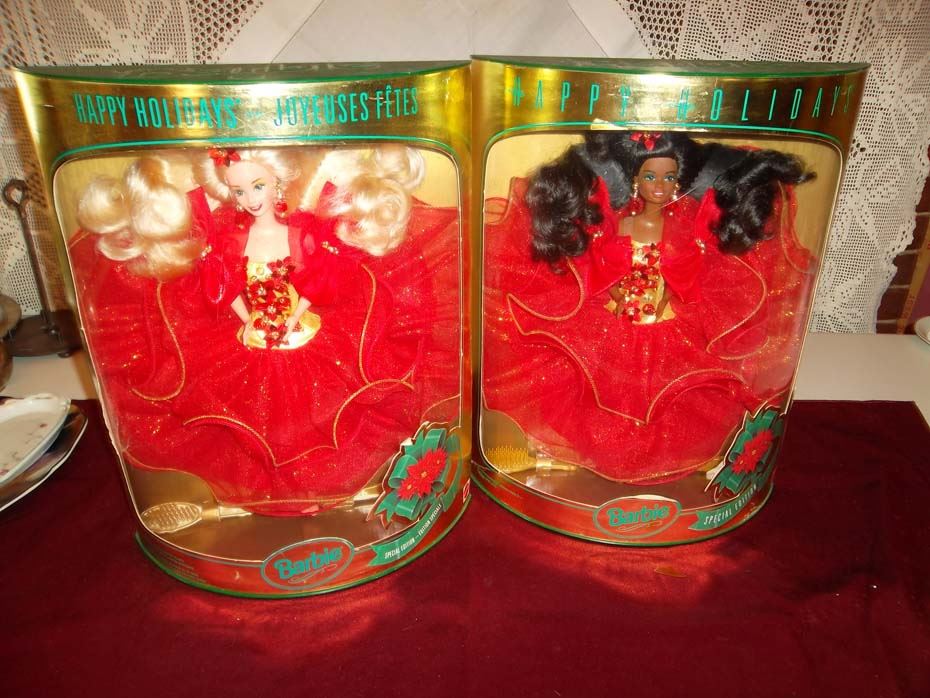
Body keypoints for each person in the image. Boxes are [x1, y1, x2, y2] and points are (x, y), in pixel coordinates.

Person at [70, 145, 460, 516]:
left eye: (257, 186)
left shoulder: (300, 234)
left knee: (311, 415)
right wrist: (247, 319)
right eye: (239, 191)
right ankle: (274, 492)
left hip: (299, 331)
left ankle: (314, 487)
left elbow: (316, 282)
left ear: (278, 182)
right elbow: (227, 288)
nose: (250, 198)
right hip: (255, 334)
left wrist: (294, 316)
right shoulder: (233, 239)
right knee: (260, 418)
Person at [481, 130, 815, 483]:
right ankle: (594, 453)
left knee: (673, 398)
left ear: (678, 183)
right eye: (651, 177)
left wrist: (667, 300)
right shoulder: (623, 223)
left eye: (669, 178)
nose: (660, 186)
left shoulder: (681, 228)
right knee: (603, 390)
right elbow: (605, 269)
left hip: (663, 323)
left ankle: (673, 457)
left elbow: (681, 277)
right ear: (636, 182)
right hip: (617, 321)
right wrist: (616, 296)